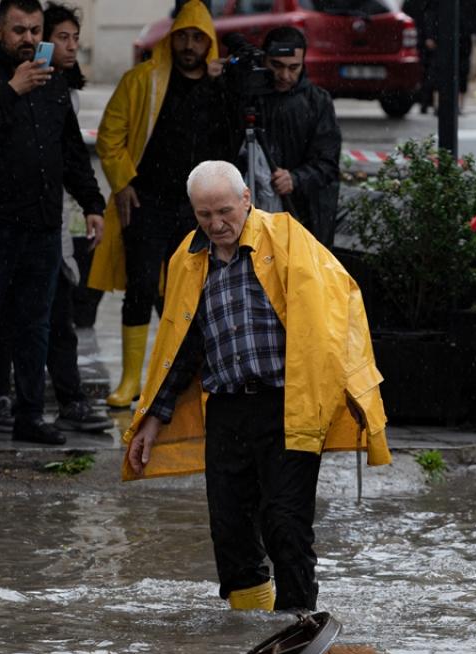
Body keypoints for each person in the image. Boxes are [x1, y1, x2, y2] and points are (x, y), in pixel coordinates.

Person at [124, 160, 390, 612]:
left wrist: (356, 391)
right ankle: (252, 629)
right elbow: (182, 347)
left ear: (247, 198)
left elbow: (335, 316)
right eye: (204, 215)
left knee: (285, 523)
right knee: (229, 531)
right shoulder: (187, 262)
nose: (216, 224)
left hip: (289, 405)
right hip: (227, 409)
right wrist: (153, 417)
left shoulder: (288, 240)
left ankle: (299, 620)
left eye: (225, 211)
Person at [0, 0, 106, 447]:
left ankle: (30, 415)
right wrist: (12, 90)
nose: (29, 39)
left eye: (35, 30)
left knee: (36, 325)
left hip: (40, 227)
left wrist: (93, 202)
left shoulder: (53, 84)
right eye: (19, 30)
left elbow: (70, 151)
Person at [89, 0, 234, 410]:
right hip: (147, 201)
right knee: (139, 286)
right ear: (172, 39)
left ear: (210, 43)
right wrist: (125, 182)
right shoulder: (142, 80)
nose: (189, 45)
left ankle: (181, 380)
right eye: (183, 36)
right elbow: (109, 136)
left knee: (191, 296)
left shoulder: (219, 89)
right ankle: (131, 379)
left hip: (197, 210)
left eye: (198, 38)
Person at [246, 26, 341, 247]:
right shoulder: (248, 98)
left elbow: (328, 164)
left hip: (303, 214)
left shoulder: (318, 102)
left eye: (293, 68)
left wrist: (296, 178)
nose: (284, 76)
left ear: (303, 64)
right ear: (264, 60)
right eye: (276, 66)